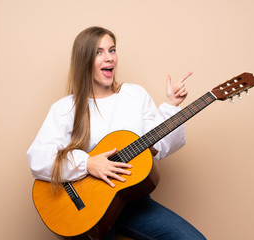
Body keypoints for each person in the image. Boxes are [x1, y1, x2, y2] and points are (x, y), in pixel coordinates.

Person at [27, 26, 206, 240]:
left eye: (112, 50)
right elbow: (38, 159)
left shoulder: (135, 95)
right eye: (98, 52)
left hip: (133, 202)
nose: (109, 58)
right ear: (84, 60)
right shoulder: (66, 108)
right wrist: (88, 164)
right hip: (87, 210)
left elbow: (160, 147)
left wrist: (171, 106)